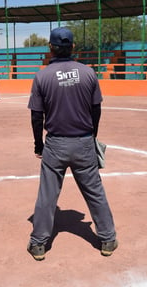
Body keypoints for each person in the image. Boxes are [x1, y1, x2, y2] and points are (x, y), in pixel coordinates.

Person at [27, 27, 117, 261]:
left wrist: (39, 145)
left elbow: (37, 116)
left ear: (51, 48)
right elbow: (96, 109)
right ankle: (107, 239)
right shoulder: (88, 73)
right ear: (73, 47)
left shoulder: (42, 76)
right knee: (95, 192)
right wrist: (91, 136)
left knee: (47, 195)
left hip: (55, 143)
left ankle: (39, 244)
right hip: (83, 141)